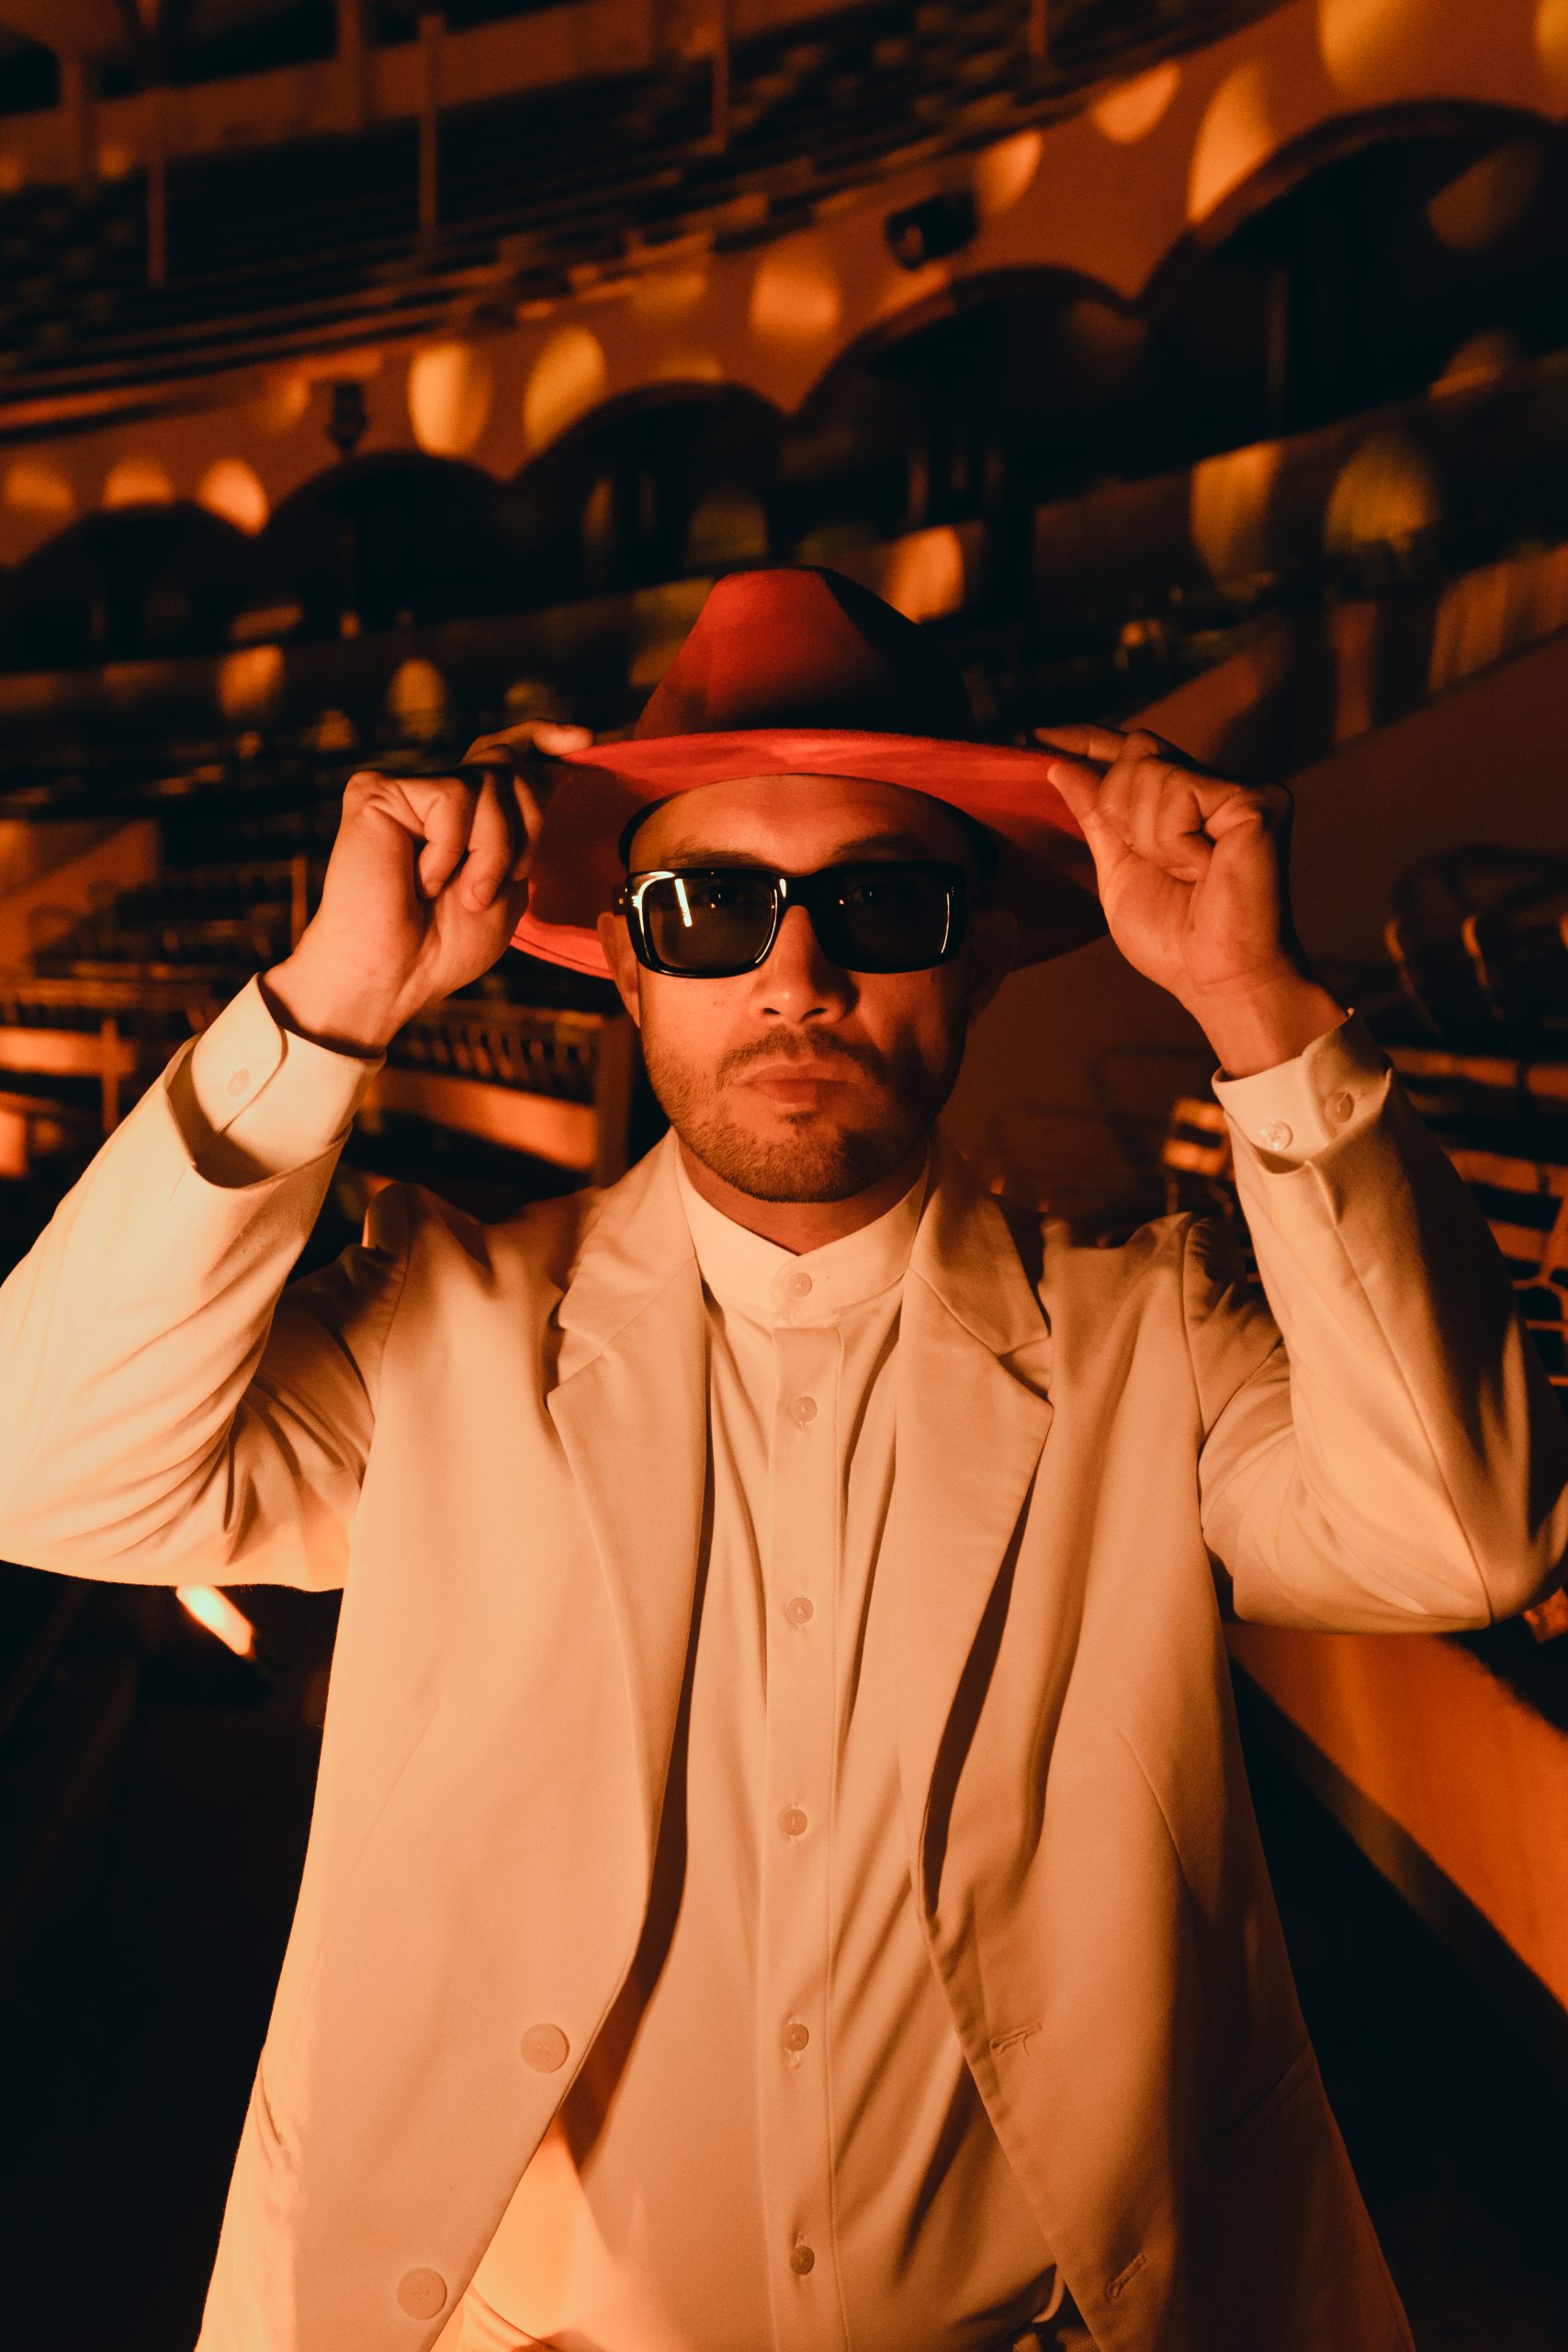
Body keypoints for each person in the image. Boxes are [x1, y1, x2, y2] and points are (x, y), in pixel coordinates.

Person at [0, 566, 1562, 2352]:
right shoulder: (435, 1333)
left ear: (978, 956)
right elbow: (43, 1467)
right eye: (706, 909)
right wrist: (331, 997)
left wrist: (1254, 1001)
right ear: (623, 966)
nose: (795, 975)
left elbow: (1464, 1531)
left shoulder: (1149, 1342)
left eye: (880, 905)